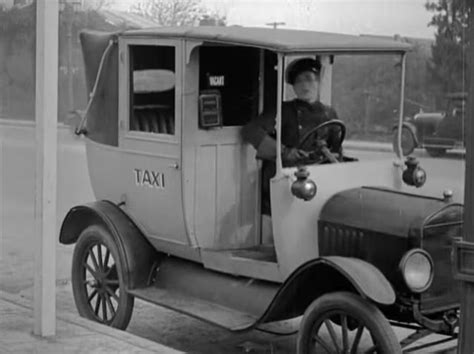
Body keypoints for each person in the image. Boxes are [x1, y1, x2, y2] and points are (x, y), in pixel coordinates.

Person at [242, 57, 341, 216]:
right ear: (293, 87)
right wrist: (285, 151)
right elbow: (251, 131)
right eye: (299, 81)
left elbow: (337, 151)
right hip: (288, 178)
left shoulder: (329, 113)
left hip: (319, 178)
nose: (305, 85)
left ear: (318, 82)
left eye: (309, 79)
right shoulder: (284, 110)